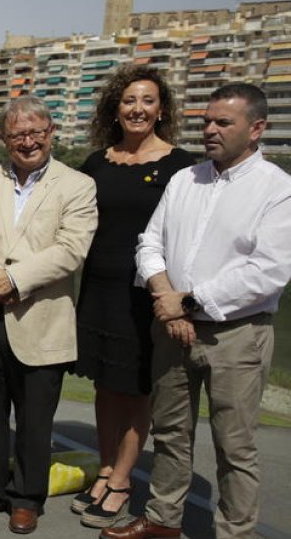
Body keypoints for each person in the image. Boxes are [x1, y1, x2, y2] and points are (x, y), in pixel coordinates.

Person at [105, 84, 291, 539]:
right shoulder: (186, 179)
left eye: (223, 122)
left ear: (256, 129)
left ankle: (235, 532)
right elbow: (150, 242)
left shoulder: (277, 189)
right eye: (206, 120)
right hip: (172, 326)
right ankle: (163, 520)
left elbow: (268, 271)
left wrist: (188, 301)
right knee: (170, 433)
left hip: (236, 335)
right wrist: (169, 300)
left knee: (235, 446)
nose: (209, 130)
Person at [0, 96, 97, 535]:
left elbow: (72, 248)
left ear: (51, 132)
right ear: (4, 137)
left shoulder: (77, 185)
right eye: (18, 135)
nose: (27, 142)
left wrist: (14, 280)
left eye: (36, 133)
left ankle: (27, 497)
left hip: (40, 317)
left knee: (35, 419)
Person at [69, 65, 195, 528]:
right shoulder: (99, 162)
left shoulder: (181, 166)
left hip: (145, 291)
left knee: (135, 388)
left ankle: (122, 479)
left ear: (161, 110)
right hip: (98, 286)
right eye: (129, 101)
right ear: (115, 108)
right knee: (104, 384)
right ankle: (103, 469)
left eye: (147, 101)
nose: (137, 109)